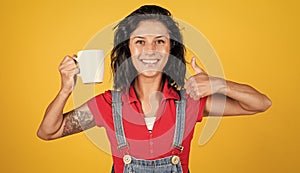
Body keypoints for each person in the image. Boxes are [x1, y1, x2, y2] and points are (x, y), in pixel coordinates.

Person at [37, 5, 272, 173]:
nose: (150, 50)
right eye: (140, 41)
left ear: (171, 49)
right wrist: (66, 89)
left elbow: (260, 104)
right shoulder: (108, 104)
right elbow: (48, 131)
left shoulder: (190, 102)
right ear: (128, 49)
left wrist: (218, 83)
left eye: (160, 41)